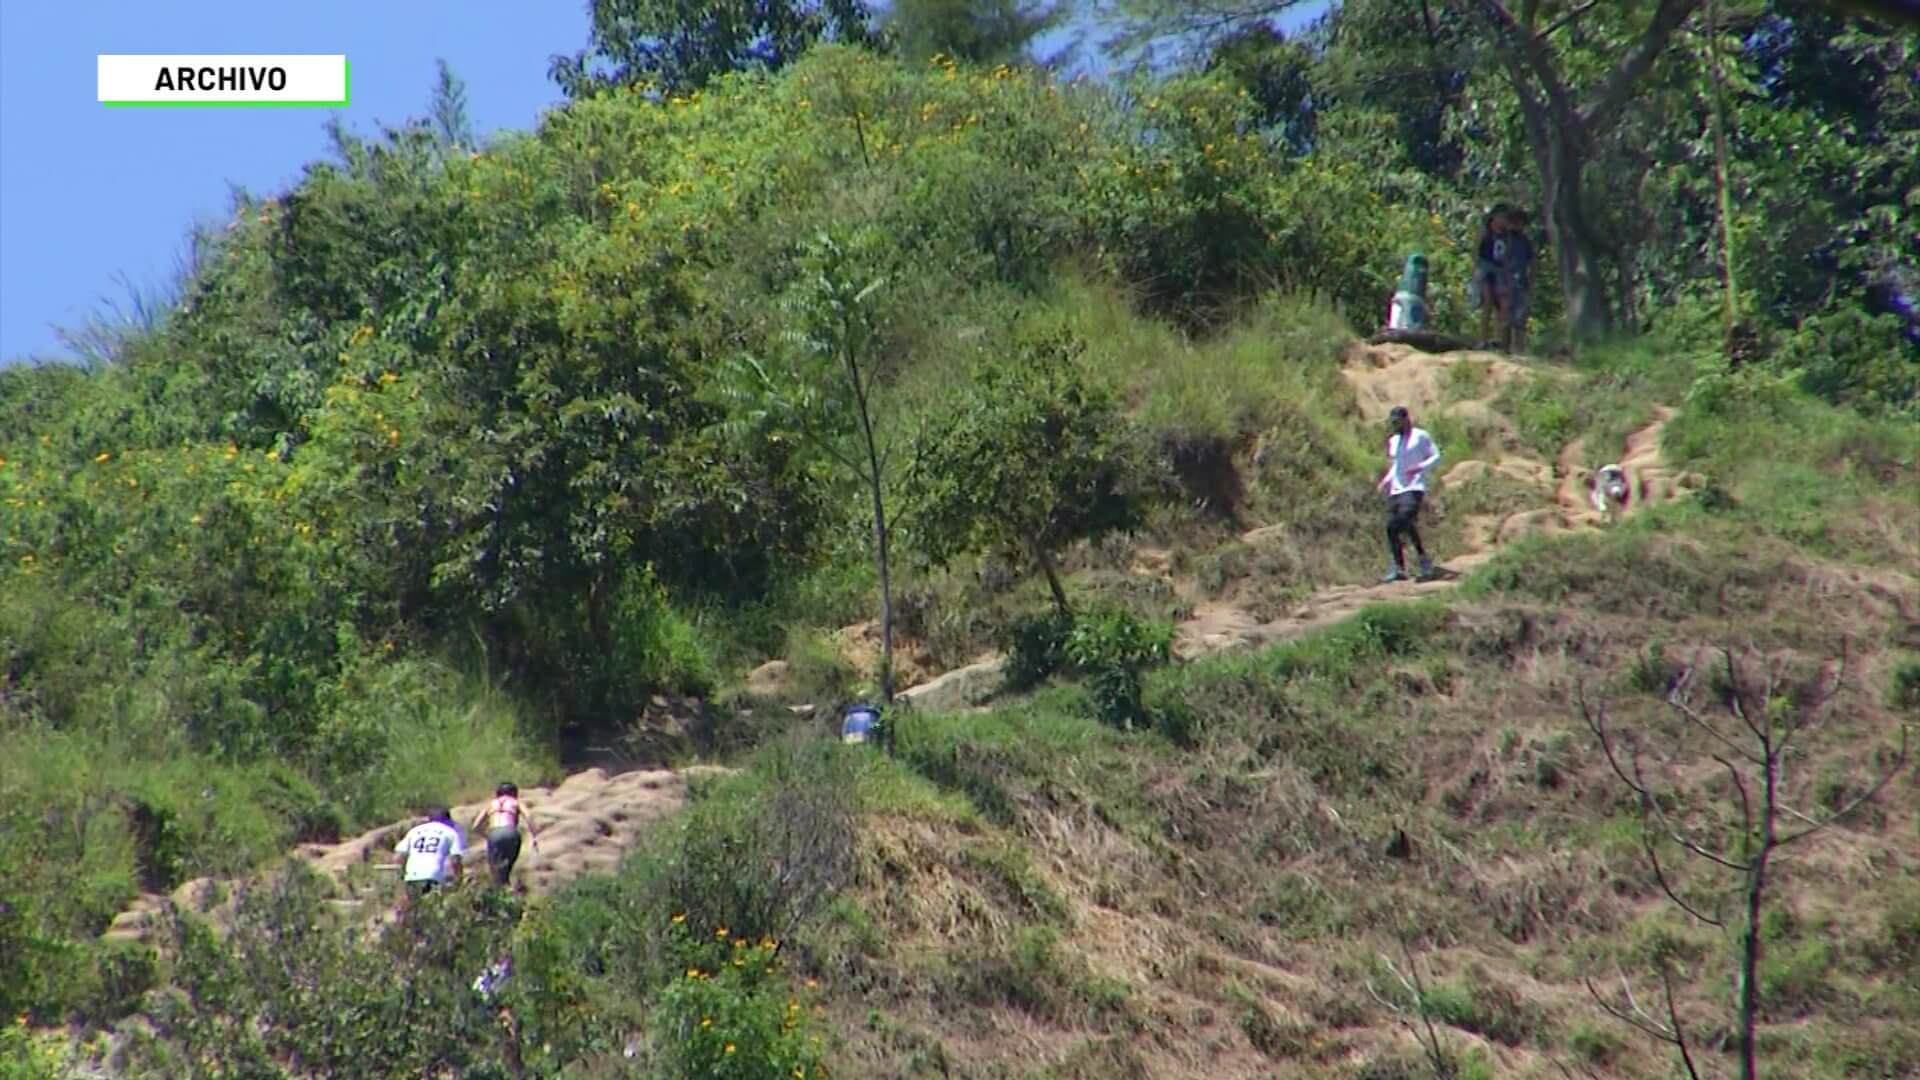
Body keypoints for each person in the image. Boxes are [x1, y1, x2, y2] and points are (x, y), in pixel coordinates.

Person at [1377, 405, 1441, 583]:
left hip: (1414, 487)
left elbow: (1436, 456)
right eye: (1392, 422)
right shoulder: (1393, 441)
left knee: (1405, 518)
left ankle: (1422, 558)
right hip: (1396, 489)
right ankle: (1399, 568)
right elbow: (1396, 465)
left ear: (1406, 420)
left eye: (1397, 422)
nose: (1395, 425)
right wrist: (1386, 480)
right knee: (1391, 527)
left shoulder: (1421, 436)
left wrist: (1420, 467)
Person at [472, 782, 537, 888]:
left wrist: (487, 836)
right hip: (511, 833)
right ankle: (508, 888)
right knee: (507, 867)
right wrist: (534, 836)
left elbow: (475, 826)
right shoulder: (516, 802)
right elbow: (528, 816)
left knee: (495, 869)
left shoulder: (490, 804)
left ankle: (500, 892)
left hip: (494, 833)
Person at [394, 807, 465, 902]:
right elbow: (455, 859)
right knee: (433, 909)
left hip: (412, 876)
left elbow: (398, 856)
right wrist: (458, 880)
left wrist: (403, 874)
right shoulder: (450, 832)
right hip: (433, 876)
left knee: (413, 907)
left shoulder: (414, 831)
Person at [1471, 205, 1511, 347]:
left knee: (1500, 305)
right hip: (1485, 268)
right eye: (1501, 217)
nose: (1503, 220)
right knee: (1487, 301)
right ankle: (1482, 338)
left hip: (1500, 271)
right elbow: (1476, 250)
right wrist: (1476, 269)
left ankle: (1497, 338)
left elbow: (1507, 255)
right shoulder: (1485, 231)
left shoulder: (1506, 235)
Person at [1498, 208, 1537, 352]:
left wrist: (1532, 282)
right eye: (1513, 222)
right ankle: (1504, 349)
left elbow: (1533, 262)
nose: (1516, 225)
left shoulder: (1526, 241)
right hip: (1505, 282)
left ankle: (1519, 350)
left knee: (1520, 319)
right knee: (1505, 318)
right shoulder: (1502, 239)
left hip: (1521, 282)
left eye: (1519, 223)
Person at [1386, 253, 1430, 332]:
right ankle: (1405, 329)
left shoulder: (1405, 277)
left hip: (1401, 295)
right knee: (1409, 319)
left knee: (1397, 314)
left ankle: (1394, 328)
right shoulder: (1420, 280)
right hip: (1414, 298)